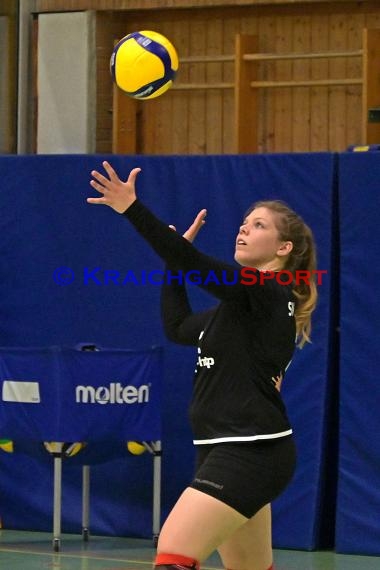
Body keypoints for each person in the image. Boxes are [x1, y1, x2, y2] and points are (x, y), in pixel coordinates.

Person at [88, 161, 318, 570]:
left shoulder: (267, 290)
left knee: (174, 554)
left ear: (284, 249)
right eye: (244, 222)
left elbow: (196, 265)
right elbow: (177, 326)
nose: (244, 228)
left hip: (250, 452)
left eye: (259, 225)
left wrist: (132, 208)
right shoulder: (239, 307)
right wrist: (175, 265)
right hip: (221, 449)